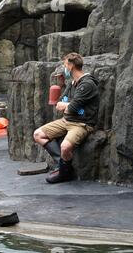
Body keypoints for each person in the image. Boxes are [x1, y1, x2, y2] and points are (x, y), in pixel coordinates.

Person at [33, 52, 100, 184]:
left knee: (65, 147)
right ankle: (62, 164)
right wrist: (65, 98)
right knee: (38, 134)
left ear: (71, 66)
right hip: (66, 120)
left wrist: (67, 105)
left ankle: (64, 173)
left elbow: (72, 107)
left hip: (82, 123)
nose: (64, 68)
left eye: (65, 65)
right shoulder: (72, 83)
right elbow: (59, 103)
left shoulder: (87, 84)